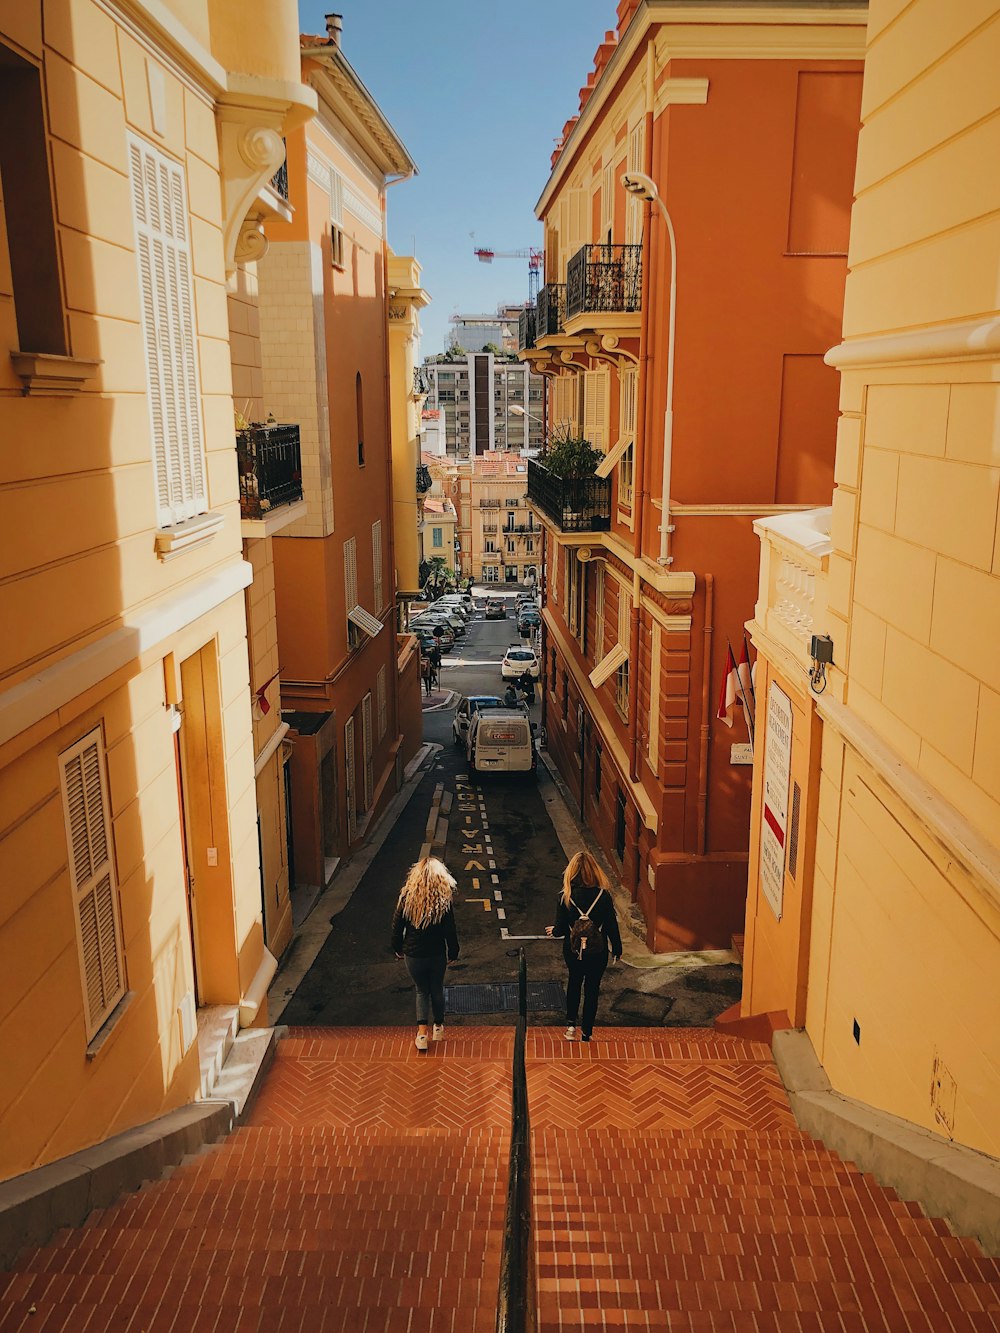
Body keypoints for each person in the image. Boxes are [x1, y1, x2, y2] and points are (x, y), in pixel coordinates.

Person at [545, 851, 622, 1042]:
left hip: (573, 950)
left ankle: (570, 1026)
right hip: (598, 950)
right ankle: (587, 1031)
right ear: (595, 871)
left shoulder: (566, 896)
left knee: (574, 982)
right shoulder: (603, 896)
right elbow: (612, 925)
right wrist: (617, 948)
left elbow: (562, 928)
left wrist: (553, 931)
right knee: (592, 989)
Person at [391, 857, 460, 1050]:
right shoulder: (443, 901)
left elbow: (397, 928)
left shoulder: (407, 897)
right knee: (436, 988)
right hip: (436, 953)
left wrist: (397, 948)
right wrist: (453, 952)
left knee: (421, 990)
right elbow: (450, 930)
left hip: (413, 954)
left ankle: (422, 1035)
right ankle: (438, 1027)